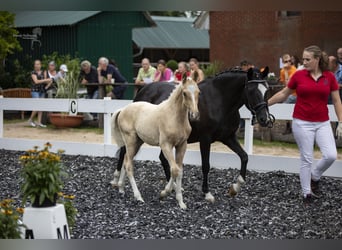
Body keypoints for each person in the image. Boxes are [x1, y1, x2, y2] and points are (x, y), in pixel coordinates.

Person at [268, 45, 342, 204]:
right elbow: (283, 93)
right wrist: (265, 104)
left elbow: (336, 100)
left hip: (322, 122)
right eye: (303, 59)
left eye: (308, 59)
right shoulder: (299, 75)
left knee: (330, 155)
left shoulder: (329, 77)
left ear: (317, 60)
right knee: (306, 158)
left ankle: (314, 177)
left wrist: (341, 121)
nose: (304, 62)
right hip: (302, 122)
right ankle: (306, 193)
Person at [28, 59, 52, 128]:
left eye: (38, 64)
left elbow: (46, 81)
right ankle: (30, 119)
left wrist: (50, 81)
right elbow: (36, 81)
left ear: (40, 65)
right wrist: (46, 80)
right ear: (34, 65)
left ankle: (39, 122)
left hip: (42, 91)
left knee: (40, 107)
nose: (37, 65)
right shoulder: (33, 73)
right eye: (36, 64)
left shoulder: (43, 72)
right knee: (36, 106)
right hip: (35, 91)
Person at [280, 54, 298, 135]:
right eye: (286, 61)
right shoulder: (282, 71)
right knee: (287, 108)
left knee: (284, 106)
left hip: (296, 94)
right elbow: (284, 84)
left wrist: (286, 71)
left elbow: (289, 84)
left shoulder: (294, 69)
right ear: (283, 62)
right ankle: (289, 126)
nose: (288, 63)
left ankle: (290, 127)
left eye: (289, 61)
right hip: (289, 94)